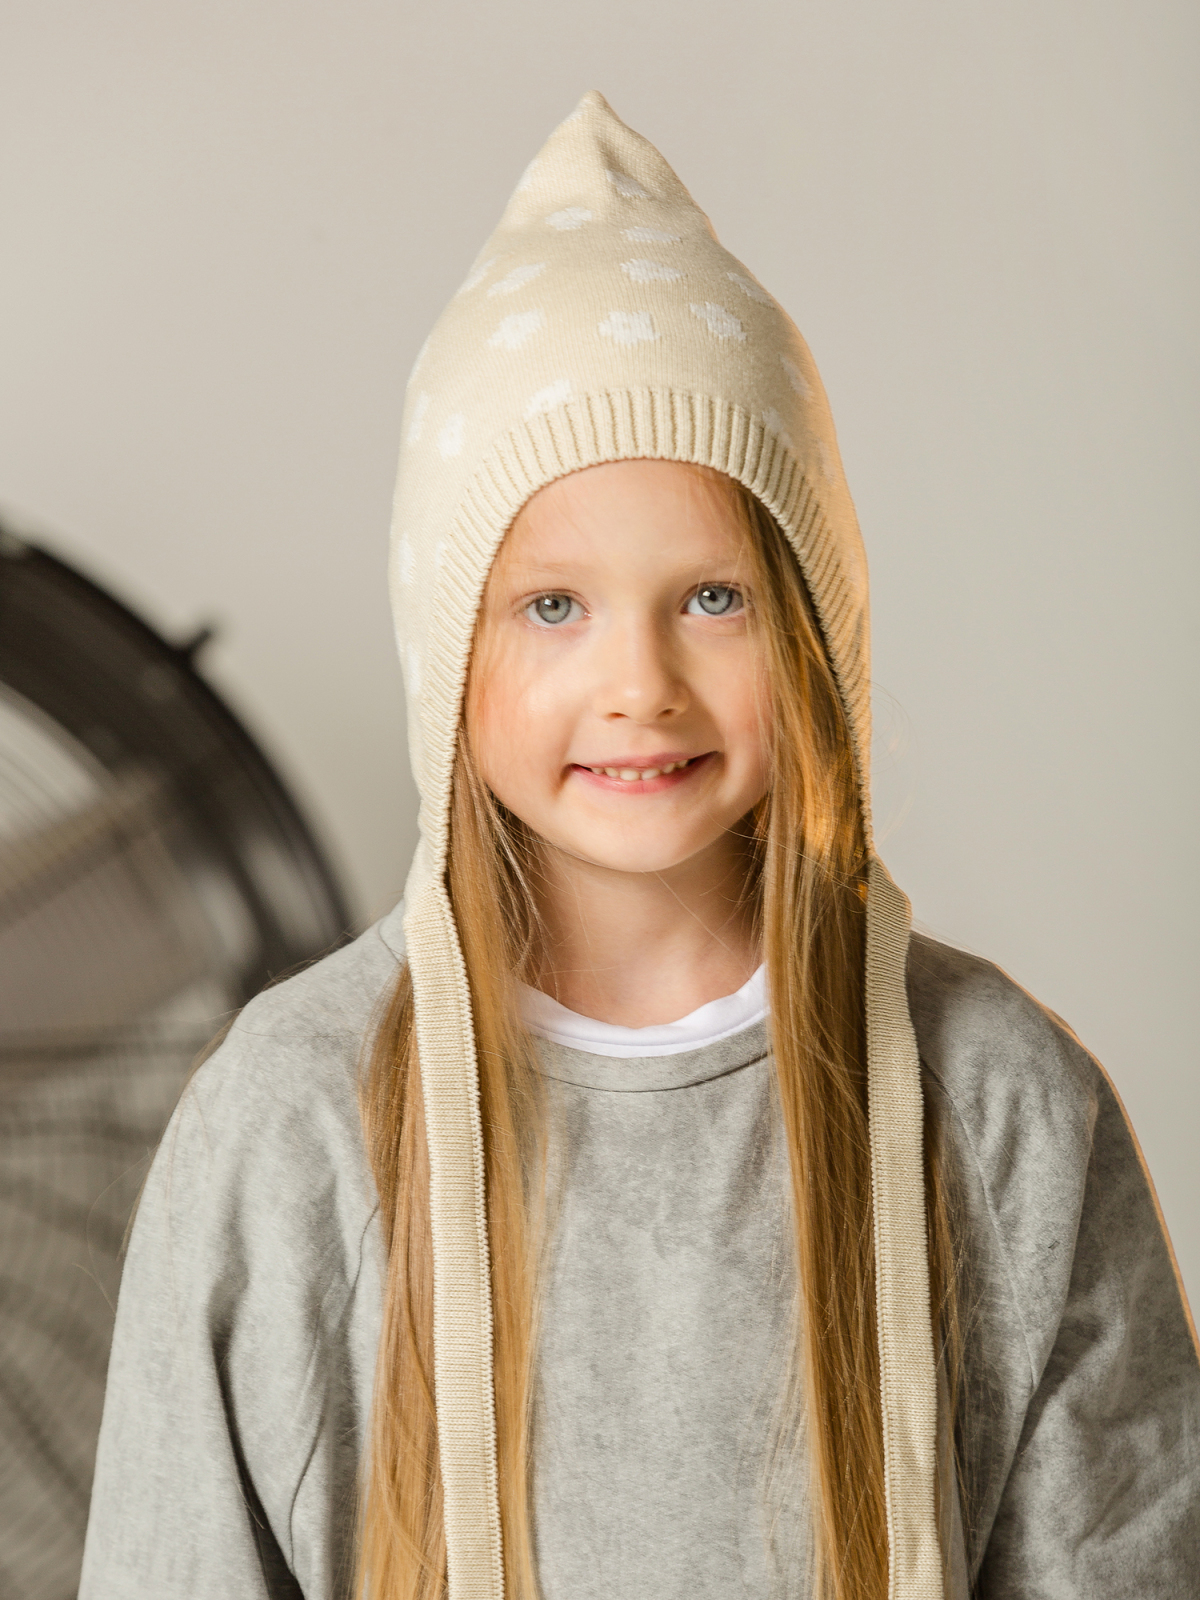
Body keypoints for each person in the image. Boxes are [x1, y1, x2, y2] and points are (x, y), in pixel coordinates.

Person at [79, 92, 1198, 1600]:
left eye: (714, 597)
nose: (639, 684)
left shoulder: (1003, 1106)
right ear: (445, 648)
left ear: (815, 630)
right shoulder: (286, 1127)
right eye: (553, 606)